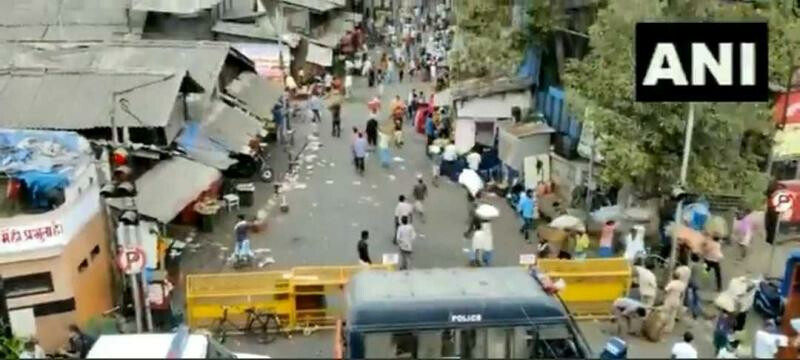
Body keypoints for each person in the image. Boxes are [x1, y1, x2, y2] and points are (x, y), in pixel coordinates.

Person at [686, 254, 704, 319]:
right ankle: (697, 310)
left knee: (692, 297)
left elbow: (689, 274)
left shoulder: (692, 265)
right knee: (696, 297)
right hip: (698, 283)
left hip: (692, 283)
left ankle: (694, 312)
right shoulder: (701, 266)